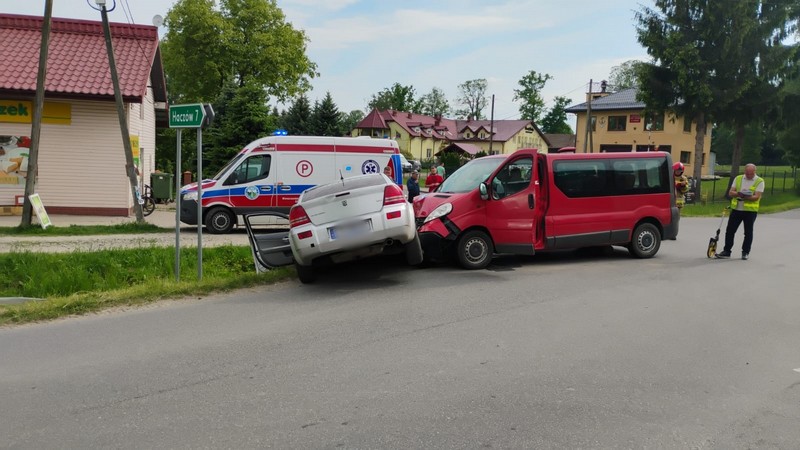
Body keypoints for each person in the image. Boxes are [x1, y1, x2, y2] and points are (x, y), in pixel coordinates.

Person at [715, 163, 765, 260]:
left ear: (755, 172)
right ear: (744, 171)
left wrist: (746, 196)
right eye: (747, 173)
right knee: (730, 230)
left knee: (748, 232)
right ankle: (727, 251)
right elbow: (731, 192)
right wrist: (739, 194)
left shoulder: (759, 181)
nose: (748, 175)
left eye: (750, 173)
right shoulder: (738, 178)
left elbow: (756, 197)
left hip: (750, 211)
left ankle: (745, 252)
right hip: (736, 209)